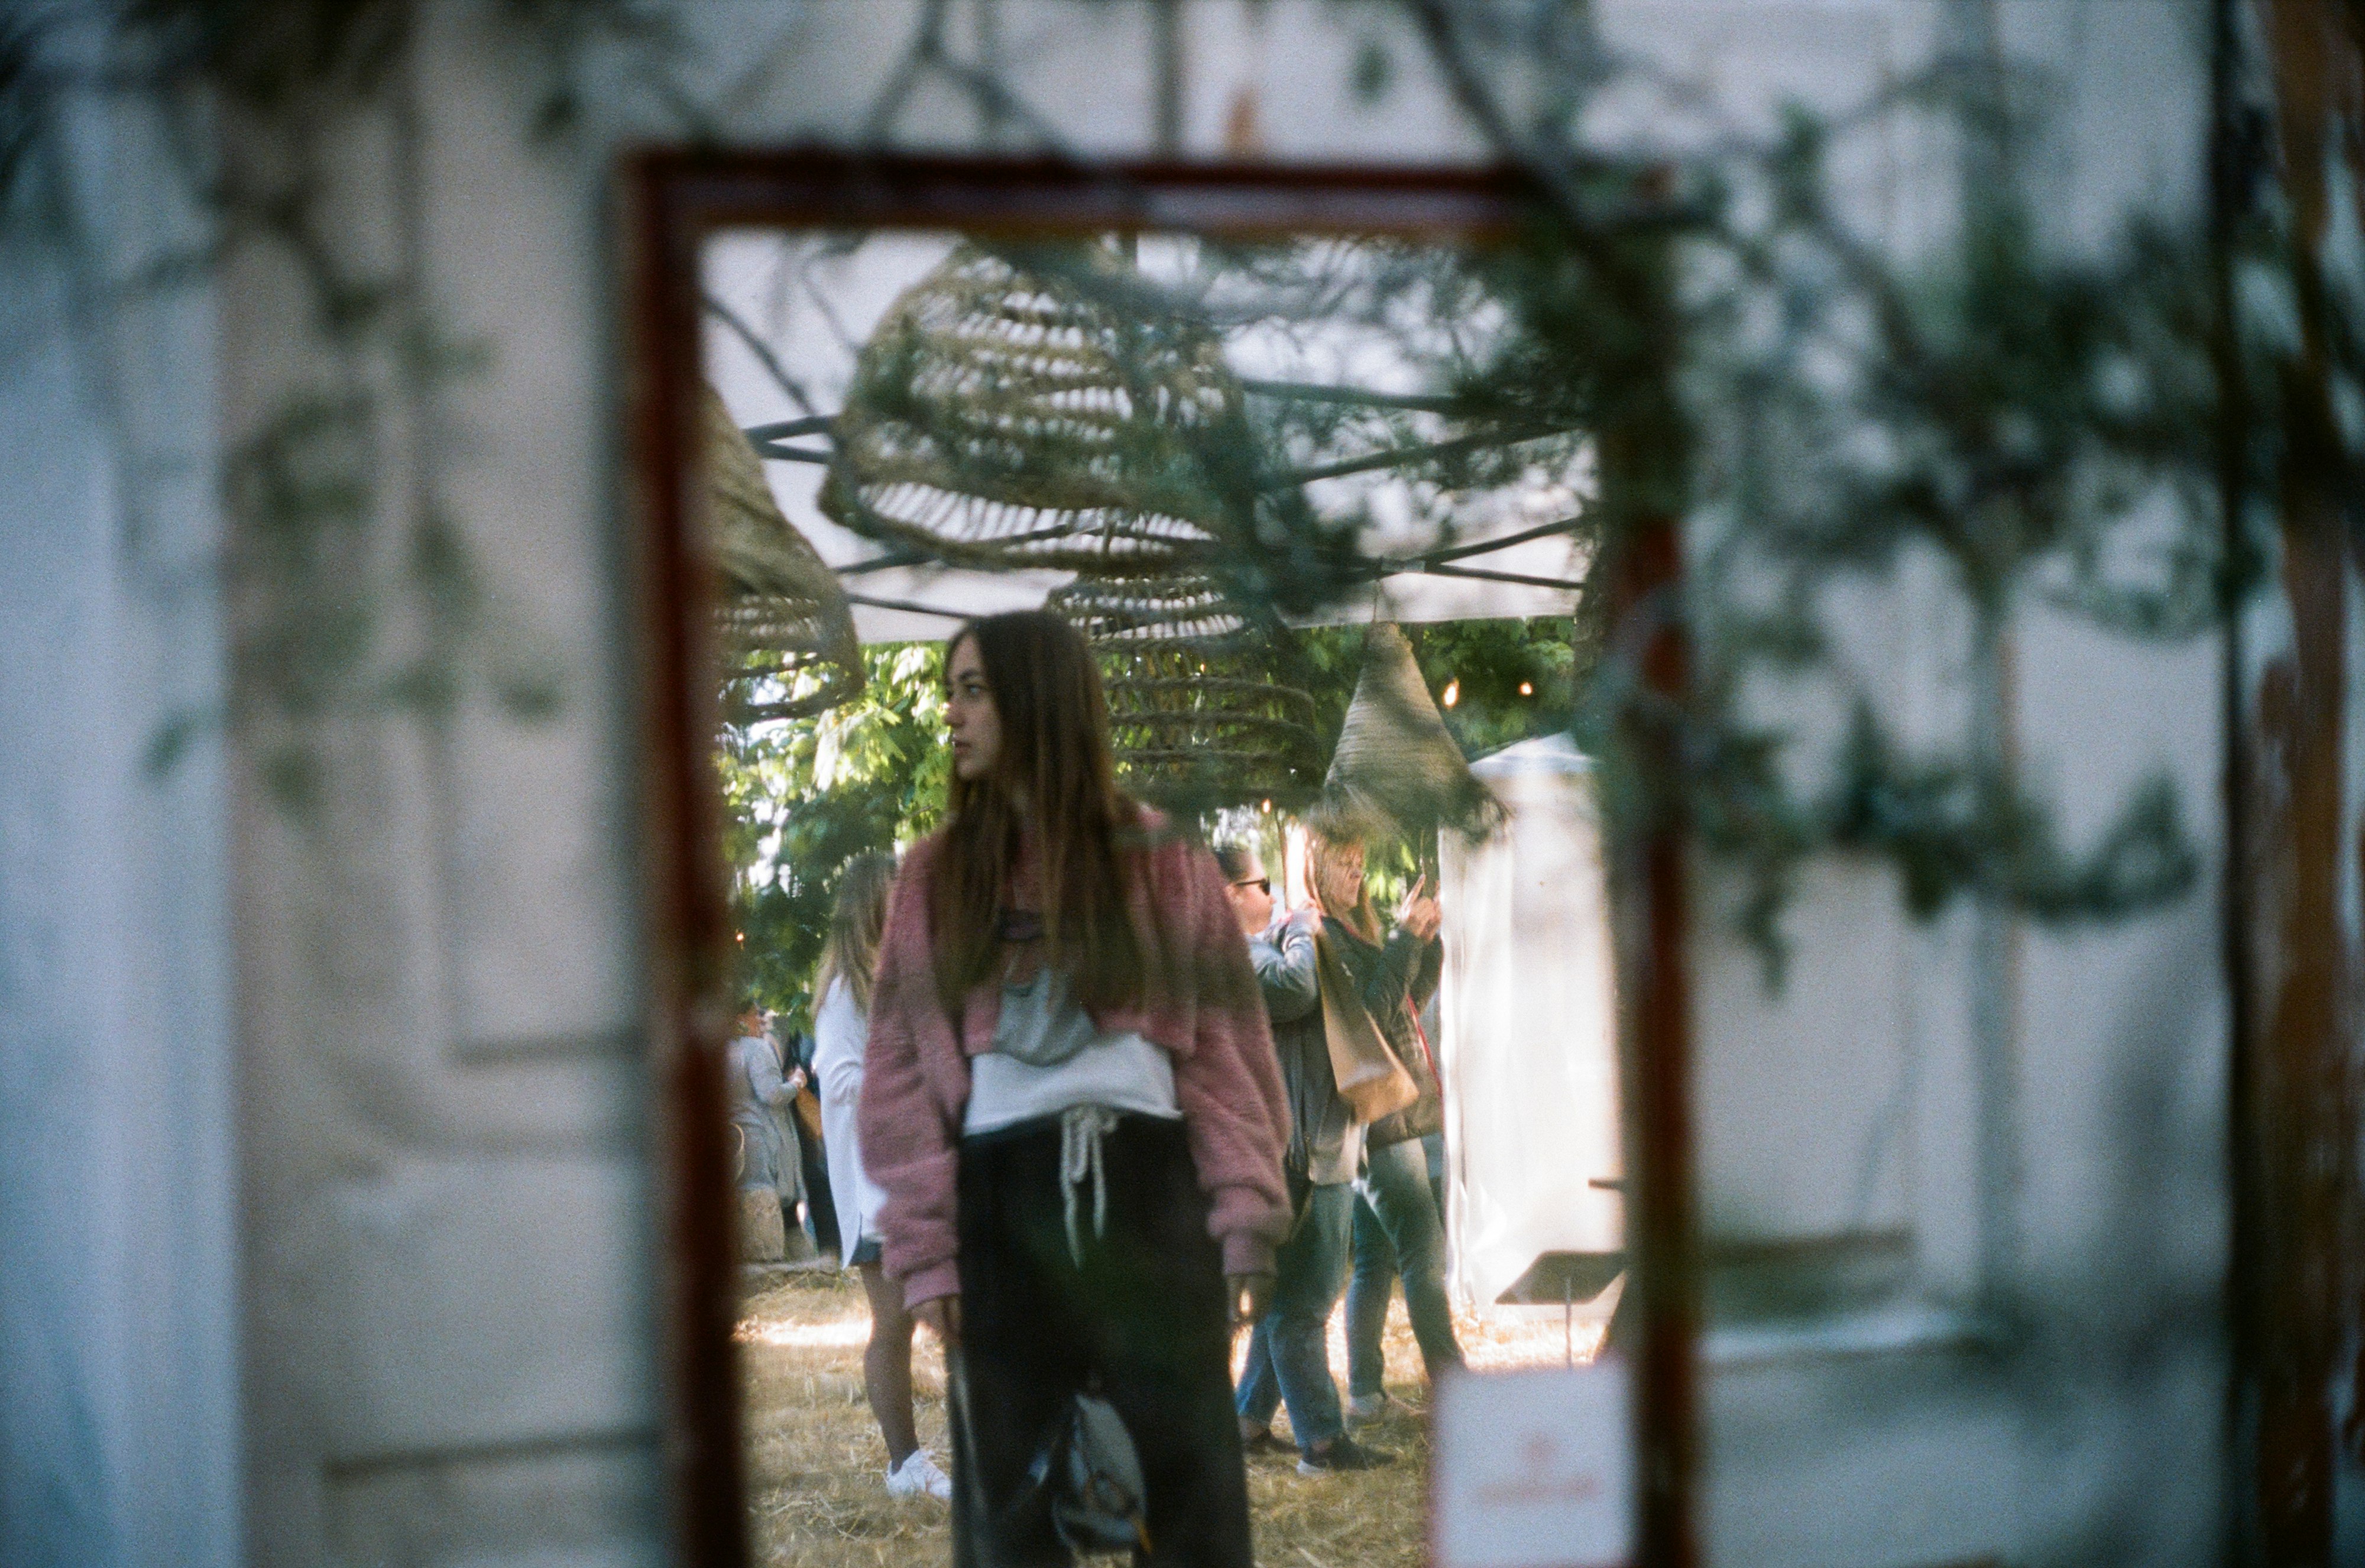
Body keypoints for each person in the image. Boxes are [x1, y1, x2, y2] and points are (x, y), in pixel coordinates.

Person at [860, 610, 1292, 1567]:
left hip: (1150, 1194)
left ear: (1037, 699)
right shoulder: (934, 876)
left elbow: (1224, 1052)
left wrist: (1245, 1215)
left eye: (974, 689)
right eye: (951, 689)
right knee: (1011, 1504)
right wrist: (927, 1252)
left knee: (1188, 1497)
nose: (951, 713)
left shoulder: (1162, 857)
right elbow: (897, 1079)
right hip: (1002, 1201)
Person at [1221, 840, 1395, 1474]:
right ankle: (1322, 1442)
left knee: (1284, 1302)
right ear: (1229, 896)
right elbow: (1295, 990)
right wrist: (1298, 927)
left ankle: (1245, 1421)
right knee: (1305, 1305)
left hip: (1310, 1142)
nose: (1273, 897)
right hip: (1303, 1150)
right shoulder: (1237, 955)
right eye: (1260, 886)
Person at [1305, 832, 1466, 1421]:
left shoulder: (1350, 933)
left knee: (1375, 1261)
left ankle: (1367, 1396)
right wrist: (1401, 938)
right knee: (1423, 1251)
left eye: (1360, 864)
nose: (1356, 874)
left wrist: (1425, 941)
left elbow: (1404, 1002)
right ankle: (1455, 1388)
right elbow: (1368, 1021)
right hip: (1383, 1121)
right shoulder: (1322, 936)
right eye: (1344, 864)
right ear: (1316, 868)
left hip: (1390, 1117)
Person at [811, 850, 953, 1502]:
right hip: (875, 1189)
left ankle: (950, 1455)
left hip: (915, 1180)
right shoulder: (847, 989)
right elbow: (836, 1080)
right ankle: (906, 1466)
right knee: (894, 1325)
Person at [727, 1002, 815, 1261]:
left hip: (733, 1143)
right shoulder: (755, 1048)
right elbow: (772, 1094)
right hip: (761, 1142)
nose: (760, 1019)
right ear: (739, 1017)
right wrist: (796, 1083)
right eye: (755, 1013)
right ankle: (774, 1262)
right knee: (766, 1201)